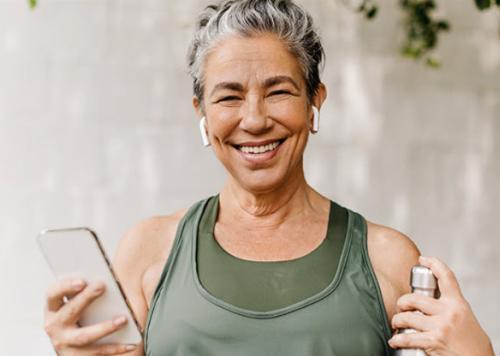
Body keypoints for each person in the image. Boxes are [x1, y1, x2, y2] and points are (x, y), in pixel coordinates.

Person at [42, 0, 495, 355]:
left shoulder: (388, 257)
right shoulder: (149, 251)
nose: (254, 120)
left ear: (314, 102)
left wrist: (474, 351)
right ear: (201, 112)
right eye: (229, 97)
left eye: (279, 91)